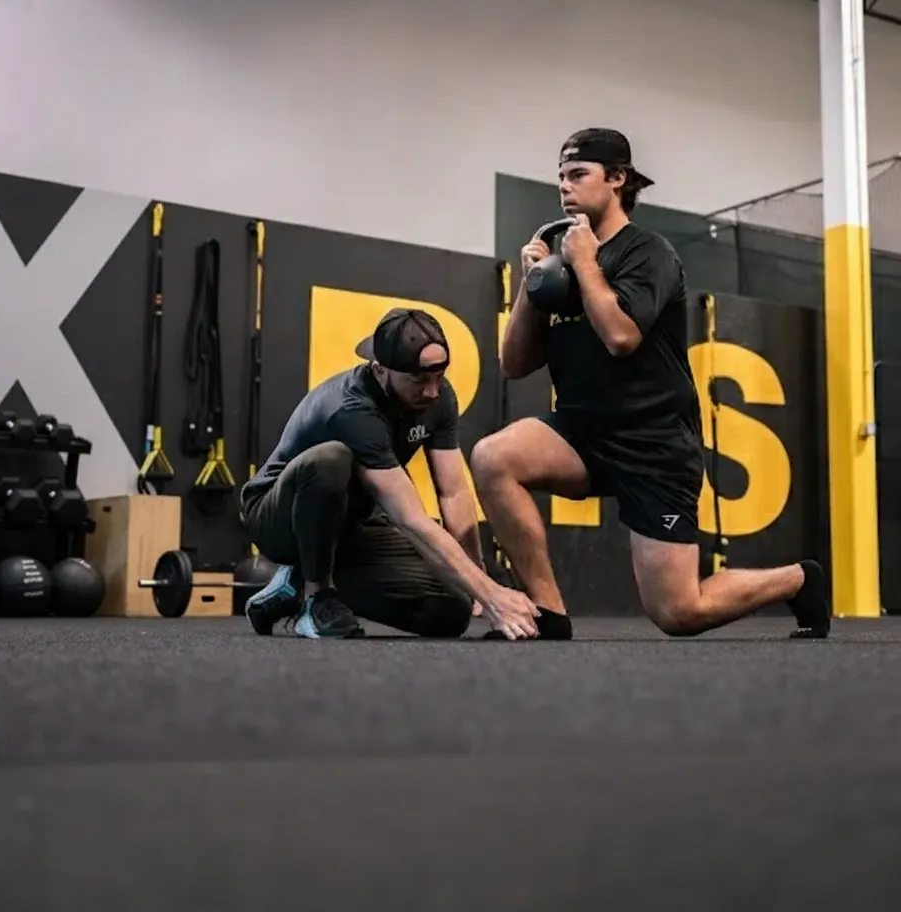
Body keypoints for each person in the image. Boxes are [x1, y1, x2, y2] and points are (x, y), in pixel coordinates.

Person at [470, 127, 830, 640]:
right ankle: (547, 614)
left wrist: (585, 263)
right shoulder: (560, 259)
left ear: (617, 180)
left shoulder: (647, 254)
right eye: (560, 179)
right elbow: (513, 363)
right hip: (581, 432)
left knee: (679, 613)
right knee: (492, 458)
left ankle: (798, 580)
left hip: (653, 441)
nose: (564, 189)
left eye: (577, 175)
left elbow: (620, 337)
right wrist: (532, 286)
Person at [239, 307, 541, 639]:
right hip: (277, 517)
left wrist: (479, 581)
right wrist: (493, 594)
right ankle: (316, 598)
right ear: (381, 370)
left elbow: (453, 492)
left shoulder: (438, 398)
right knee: (330, 460)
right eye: (419, 381)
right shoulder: (352, 407)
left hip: (353, 525)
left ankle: (292, 584)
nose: (432, 391)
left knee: (451, 610)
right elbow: (409, 517)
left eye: (438, 378)